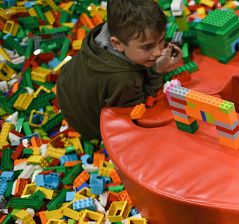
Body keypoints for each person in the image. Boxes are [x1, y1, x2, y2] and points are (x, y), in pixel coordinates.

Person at [57, 0, 181, 141]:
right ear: (117, 44)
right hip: (89, 124)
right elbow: (139, 108)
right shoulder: (126, 80)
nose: (159, 51)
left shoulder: (101, 34)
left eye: (161, 40)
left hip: (67, 89)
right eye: (148, 47)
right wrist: (157, 70)